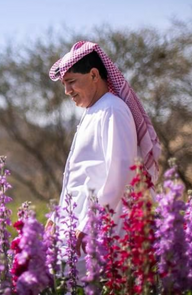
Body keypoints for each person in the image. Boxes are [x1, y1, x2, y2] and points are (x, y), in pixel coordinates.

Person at [47, 41, 161, 278]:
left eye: (71, 82)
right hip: (77, 226)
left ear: (94, 74)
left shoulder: (112, 109)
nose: (67, 91)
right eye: (64, 84)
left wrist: (90, 224)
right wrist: (58, 217)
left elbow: (118, 173)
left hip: (98, 232)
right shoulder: (94, 111)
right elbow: (77, 175)